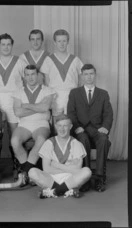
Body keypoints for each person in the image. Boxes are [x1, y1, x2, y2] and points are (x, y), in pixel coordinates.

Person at [67, 64, 113, 192]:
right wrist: (76, 127)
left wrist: (105, 127)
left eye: (91, 74)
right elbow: (71, 112)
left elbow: (108, 114)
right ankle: (85, 177)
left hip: (98, 129)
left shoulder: (103, 94)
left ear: (95, 75)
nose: (89, 77)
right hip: (81, 129)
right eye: (86, 74)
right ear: (82, 76)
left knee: (104, 140)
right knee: (82, 140)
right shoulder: (74, 93)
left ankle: (100, 177)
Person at [0, 33, 26, 157]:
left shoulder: (20, 62)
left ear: (12, 45)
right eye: (3, 44)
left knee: (15, 134)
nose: (6, 47)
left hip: (15, 101)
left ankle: (16, 165)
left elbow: (26, 81)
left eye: (8, 44)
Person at [29, 114, 92, 198]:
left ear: (70, 126)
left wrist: (56, 165)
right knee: (32, 172)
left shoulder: (76, 144)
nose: (62, 129)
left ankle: (54, 191)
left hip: (70, 178)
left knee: (87, 171)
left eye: (65, 126)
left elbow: (77, 169)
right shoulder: (49, 143)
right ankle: (68, 190)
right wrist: (69, 168)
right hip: (51, 178)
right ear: (55, 126)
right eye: (59, 125)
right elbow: (46, 169)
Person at [11, 65, 55, 183]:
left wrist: (26, 105)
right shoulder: (18, 92)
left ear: (38, 75)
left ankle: (25, 171)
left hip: (41, 123)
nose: (30, 77)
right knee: (14, 141)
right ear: (24, 76)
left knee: (41, 139)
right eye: (27, 75)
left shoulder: (47, 90)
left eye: (33, 74)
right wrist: (38, 107)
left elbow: (45, 107)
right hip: (24, 124)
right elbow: (17, 112)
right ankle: (28, 170)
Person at [40, 29, 83, 116]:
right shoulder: (48, 60)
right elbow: (46, 81)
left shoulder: (75, 60)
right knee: (57, 125)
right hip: (56, 96)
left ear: (68, 42)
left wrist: (77, 94)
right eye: (59, 41)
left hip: (72, 95)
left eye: (64, 41)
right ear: (55, 43)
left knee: (72, 123)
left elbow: (81, 79)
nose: (62, 44)